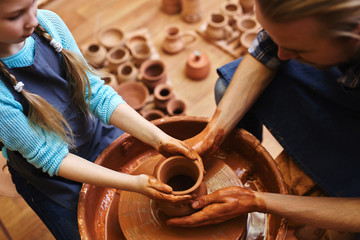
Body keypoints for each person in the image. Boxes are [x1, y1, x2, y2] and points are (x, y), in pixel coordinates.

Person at [0, 0, 202, 239]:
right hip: (51, 176)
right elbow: (50, 156)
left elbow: (94, 93)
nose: (32, 19)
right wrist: (134, 184)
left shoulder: (48, 23)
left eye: (32, 3)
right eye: (15, 16)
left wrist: (161, 139)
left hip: (93, 133)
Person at [167, 0, 360, 238]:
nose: (282, 53)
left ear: (354, 35)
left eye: (297, 49)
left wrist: (258, 200)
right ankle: (248, 169)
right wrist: (212, 134)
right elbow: (267, 52)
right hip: (342, 78)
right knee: (226, 89)